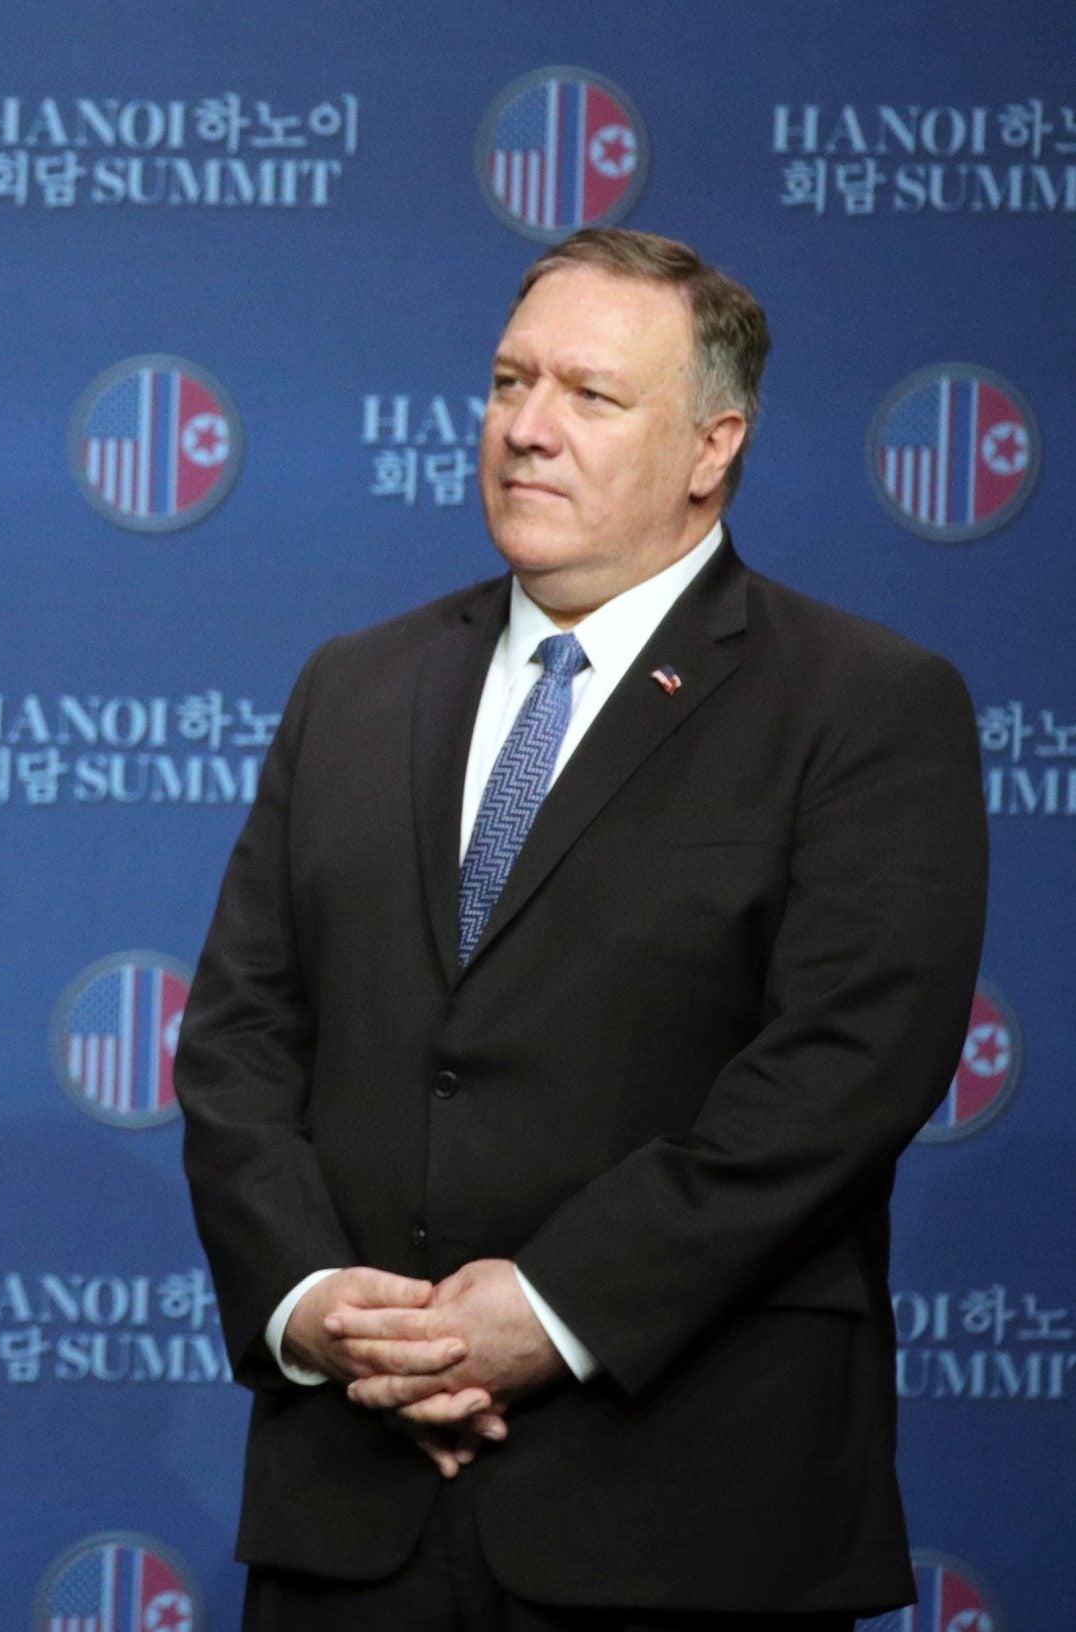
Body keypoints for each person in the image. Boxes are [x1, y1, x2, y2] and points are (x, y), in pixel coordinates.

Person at [175, 227, 986, 1629]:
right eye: (508, 383)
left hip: (682, 1512)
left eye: (589, 397)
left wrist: (545, 1313)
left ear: (709, 446)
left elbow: (846, 1073)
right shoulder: (356, 687)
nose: (526, 431)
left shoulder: (861, 705)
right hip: (355, 1509)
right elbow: (243, 1039)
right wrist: (318, 1306)